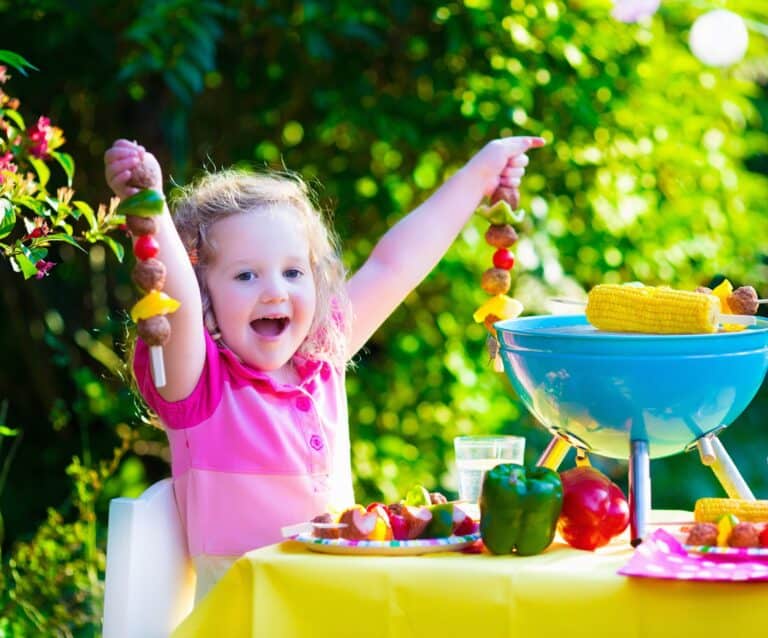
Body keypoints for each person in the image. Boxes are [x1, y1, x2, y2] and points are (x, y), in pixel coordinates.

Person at [104, 135, 545, 599]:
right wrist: (148, 209)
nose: (275, 292)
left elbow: (394, 265)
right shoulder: (199, 386)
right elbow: (178, 304)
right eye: (245, 275)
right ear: (205, 296)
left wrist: (480, 175)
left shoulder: (321, 357)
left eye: (293, 272)